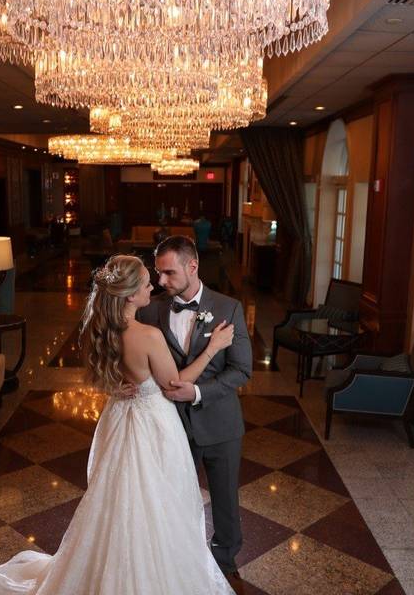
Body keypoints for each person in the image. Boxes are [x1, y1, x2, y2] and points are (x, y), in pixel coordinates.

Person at [0, 254, 237, 595]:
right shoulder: (147, 335)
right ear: (130, 295)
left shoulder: (102, 329)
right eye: (146, 282)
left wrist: (116, 386)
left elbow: (106, 377)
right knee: (156, 502)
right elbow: (175, 387)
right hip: (152, 425)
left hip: (118, 419)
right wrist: (212, 349)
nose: (153, 285)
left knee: (118, 501)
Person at [136, 235, 252, 575]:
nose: (161, 281)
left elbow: (242, 370)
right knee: (172, 498)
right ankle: (177, 559)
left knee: (225, 501)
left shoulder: (229, 308)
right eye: (158, 273)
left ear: (193, 266)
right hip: (169, 424)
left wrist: (198, 393)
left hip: (220, 424)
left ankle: (225, 565)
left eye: (169, 273)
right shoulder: (150, 309)